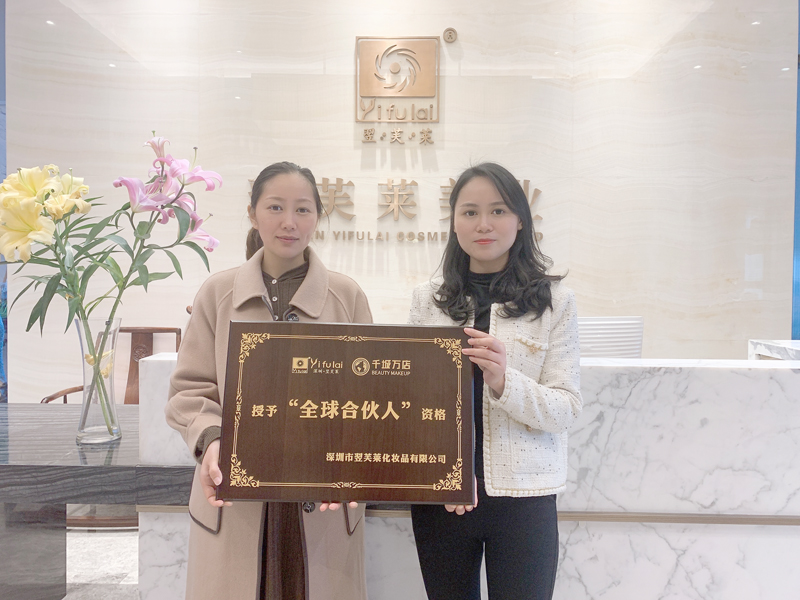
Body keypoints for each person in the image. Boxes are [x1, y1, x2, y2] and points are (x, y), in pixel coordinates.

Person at [166, 161, 372, 600]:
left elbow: (369, 398)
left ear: (317, 217)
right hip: (235, 499)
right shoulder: (217, 293)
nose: (289, 222)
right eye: (275, 207)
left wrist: (352, 462)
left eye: (302, 209)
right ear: (252, 213)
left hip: (321, 504)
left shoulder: (346, 296)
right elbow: (189, 390)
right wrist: (212, 439)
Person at [408, 162, 582, 600]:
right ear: (454, 222)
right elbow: (411, 404)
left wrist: (505, 381)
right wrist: (442, 474)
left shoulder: (555, 303)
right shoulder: (427, 302)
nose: (483, 224)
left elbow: (566, 409)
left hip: (525, 497)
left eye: (498, 211)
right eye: (469, 212)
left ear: (520, 220)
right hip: (444, 498)